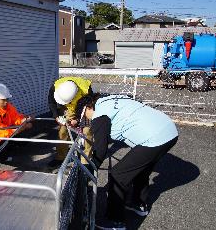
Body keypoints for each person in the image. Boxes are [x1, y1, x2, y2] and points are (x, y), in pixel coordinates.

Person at [76, 93, 178, 230]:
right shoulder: (107, 100)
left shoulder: (99, 115)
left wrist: (88, 171)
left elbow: (100, 151)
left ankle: (115, 221)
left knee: (118, 175)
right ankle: (139, 204)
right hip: (168, 131)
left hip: (154, 136)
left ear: (88, 107)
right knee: (141, 169)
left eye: (84, 116)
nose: (86, 120)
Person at [0, 83, 33, 167]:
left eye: (7, 99)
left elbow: (16, 118)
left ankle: (1, 156)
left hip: (3, 135)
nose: (6, 102)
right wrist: (23, 127)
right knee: (7, 139)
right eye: (3, 100)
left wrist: (25, 119)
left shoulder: (8, 107)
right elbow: (3, 133)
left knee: (21, 139)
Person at [47, 76, 93, 168]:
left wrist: (78, 119)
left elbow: (89, 107)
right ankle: (61, 157)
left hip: (84, 108)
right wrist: (56, 117)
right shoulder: (56, 86)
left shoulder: (86, 89)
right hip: (68, 108)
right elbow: (51, 103)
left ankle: (86, 161)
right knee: (62, 131)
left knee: (87, 132)